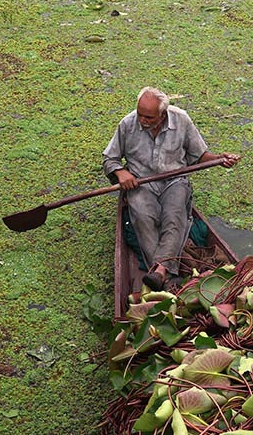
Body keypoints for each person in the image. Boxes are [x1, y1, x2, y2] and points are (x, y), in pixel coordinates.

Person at [102, 87, 240, 291]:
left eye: (149, 117)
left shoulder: (181, 120)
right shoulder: (127, 124)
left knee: (174, 216)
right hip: (142, 183)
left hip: (175, 180)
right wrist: (121, 173)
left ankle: (159, 272)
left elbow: (199, 156)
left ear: (163, 114)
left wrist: (219, 159)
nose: (143, 121)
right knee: (144, 217)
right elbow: (110, 159)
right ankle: (166, 274)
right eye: (140, 115)